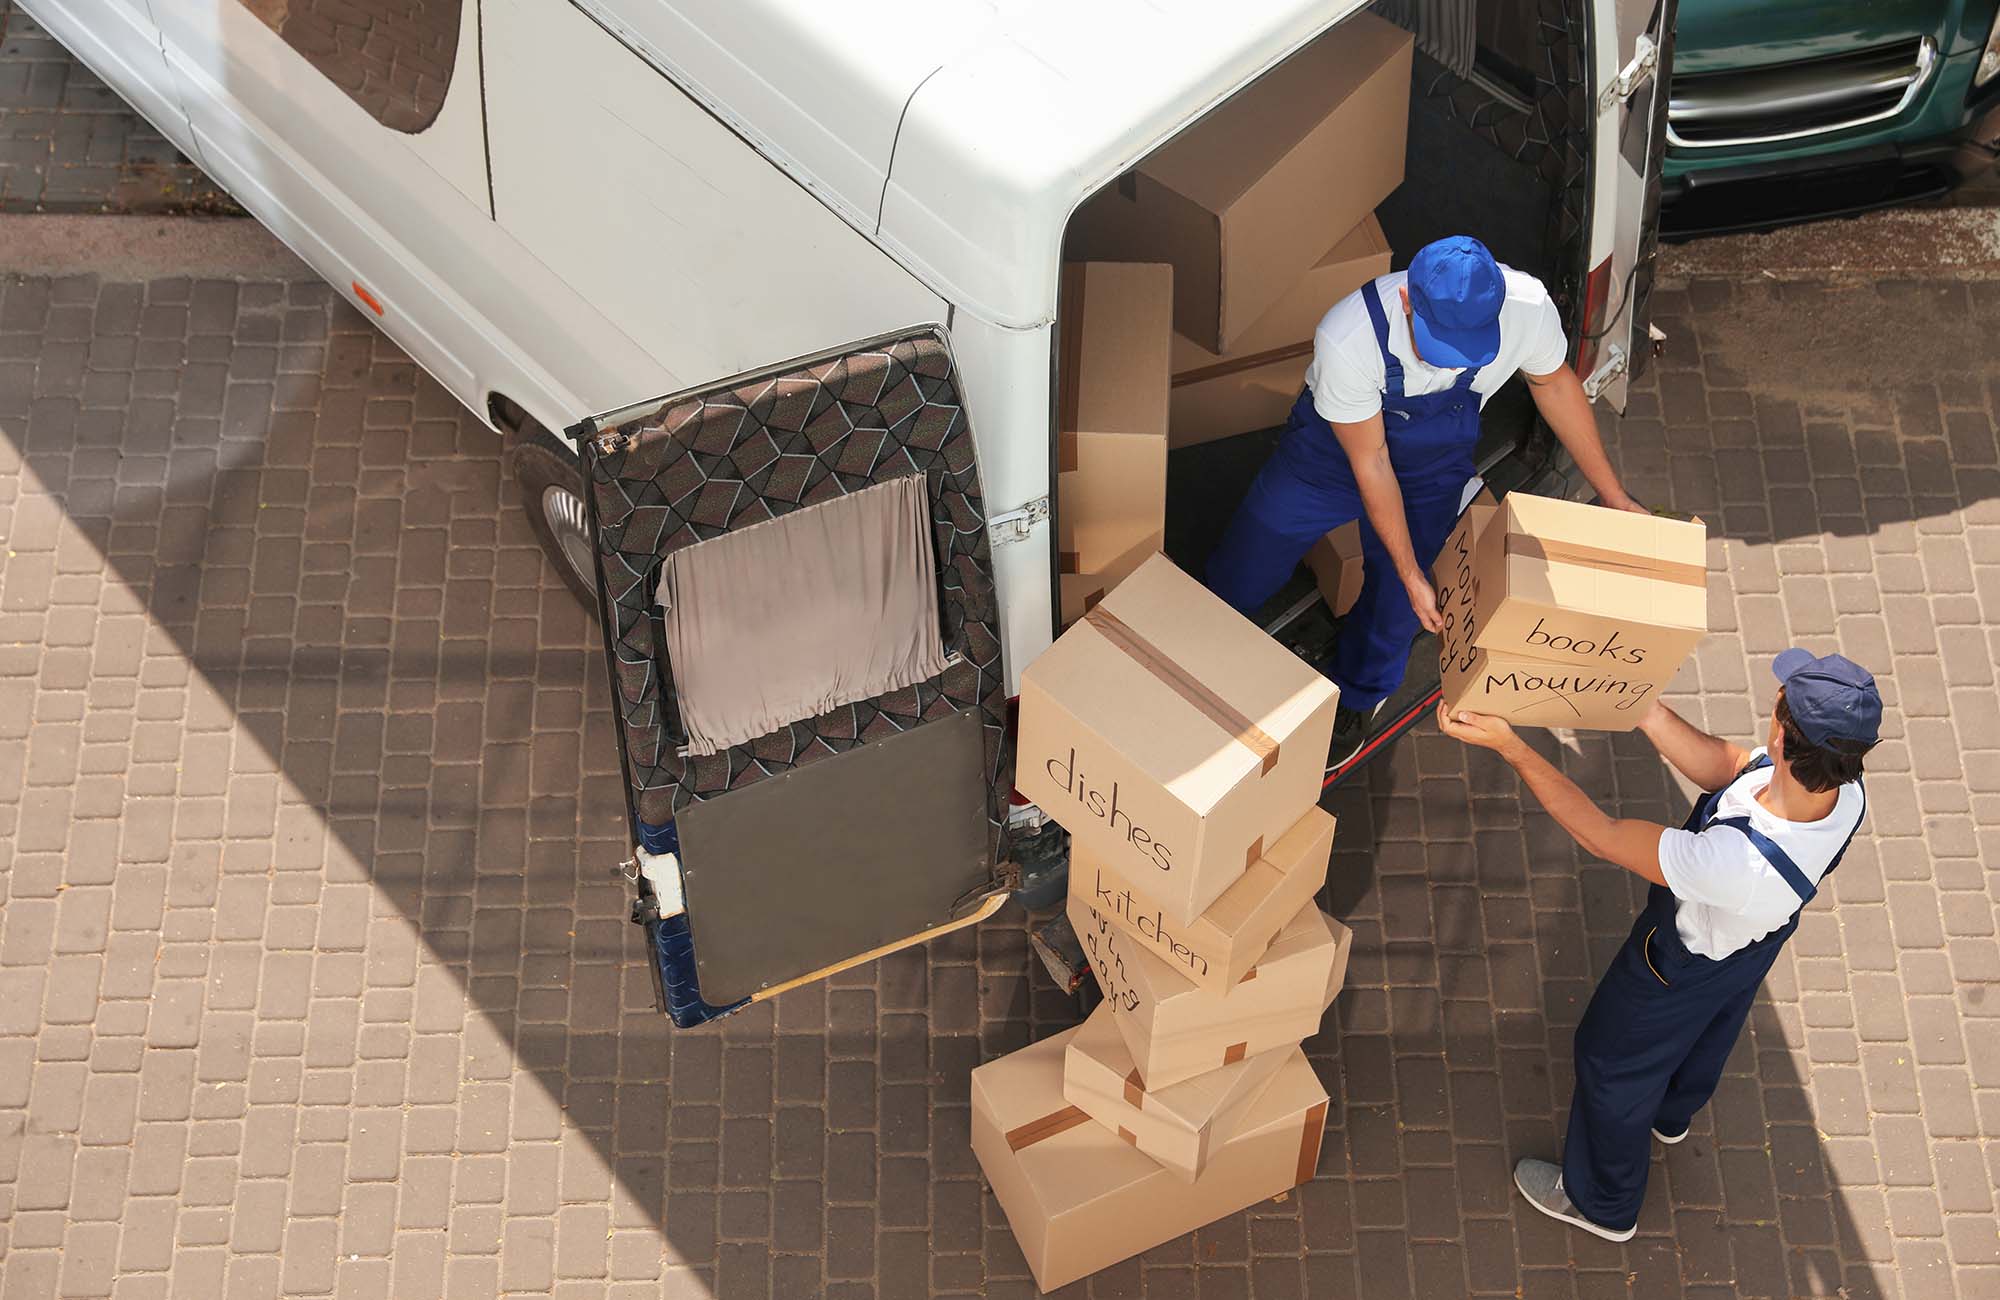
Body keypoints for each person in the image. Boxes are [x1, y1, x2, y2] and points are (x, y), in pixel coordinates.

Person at [1437, 650, 1879, 1241]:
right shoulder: (1843, 792)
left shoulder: (1732, 864)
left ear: (1782, 730)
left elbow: (1601, 834)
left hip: (1677, 965)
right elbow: (1726, 764)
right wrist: (1643, 710)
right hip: (1750, 943)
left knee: (1609, 1062)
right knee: (1712, 1027)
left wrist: (1512, 747)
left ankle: (1602, 1202)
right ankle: (1672, 1112)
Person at [1204, 235, 1647, 767]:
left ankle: (1357, 699)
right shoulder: (1351, 336)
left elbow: (1554, 385)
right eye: (1438, 343)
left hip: (1429, 470)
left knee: (1399, 606)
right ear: (1409, 300)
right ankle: (1200, 642)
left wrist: (1615, 496)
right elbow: (1372, 463)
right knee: (1251, 554)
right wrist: (1412, 567)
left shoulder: (1527, 308)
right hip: (1332, 456)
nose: (1449, 361)